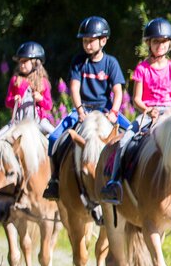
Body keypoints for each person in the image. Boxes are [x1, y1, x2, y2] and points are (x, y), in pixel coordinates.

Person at [100, 17, 171, 205]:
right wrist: (149, 109)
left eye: (164, 42)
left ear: (170, 44)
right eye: (156, 41)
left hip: (170, 113)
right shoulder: (142, 69)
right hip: (149, 113)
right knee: (126, 141)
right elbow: (137, 99)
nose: (160, 46)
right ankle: (114, 183)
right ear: (149, 43)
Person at [43, 17, 130, 200]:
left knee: (131, 136)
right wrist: (80, 110)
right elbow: (74, 87)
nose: (87, 45)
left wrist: (114, 112)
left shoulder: (111, 63)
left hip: (105, 108)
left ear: (103, 41)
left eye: (91, 41)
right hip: (83, 109)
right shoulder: (78, 61)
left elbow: (118, 91)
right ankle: (55, 181)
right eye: (84, 41)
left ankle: (124, 180)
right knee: (53, 138)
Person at [5, 41, 54, 134]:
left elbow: (49, 105)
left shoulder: (43, 82)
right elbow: (8, 102)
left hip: (39, 121)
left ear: (35, 62)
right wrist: (14, 100)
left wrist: (40, 99)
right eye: (20, 61)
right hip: (18, 121)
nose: (21, 64)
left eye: (24, 61)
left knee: (55, 136)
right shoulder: (15, 80)